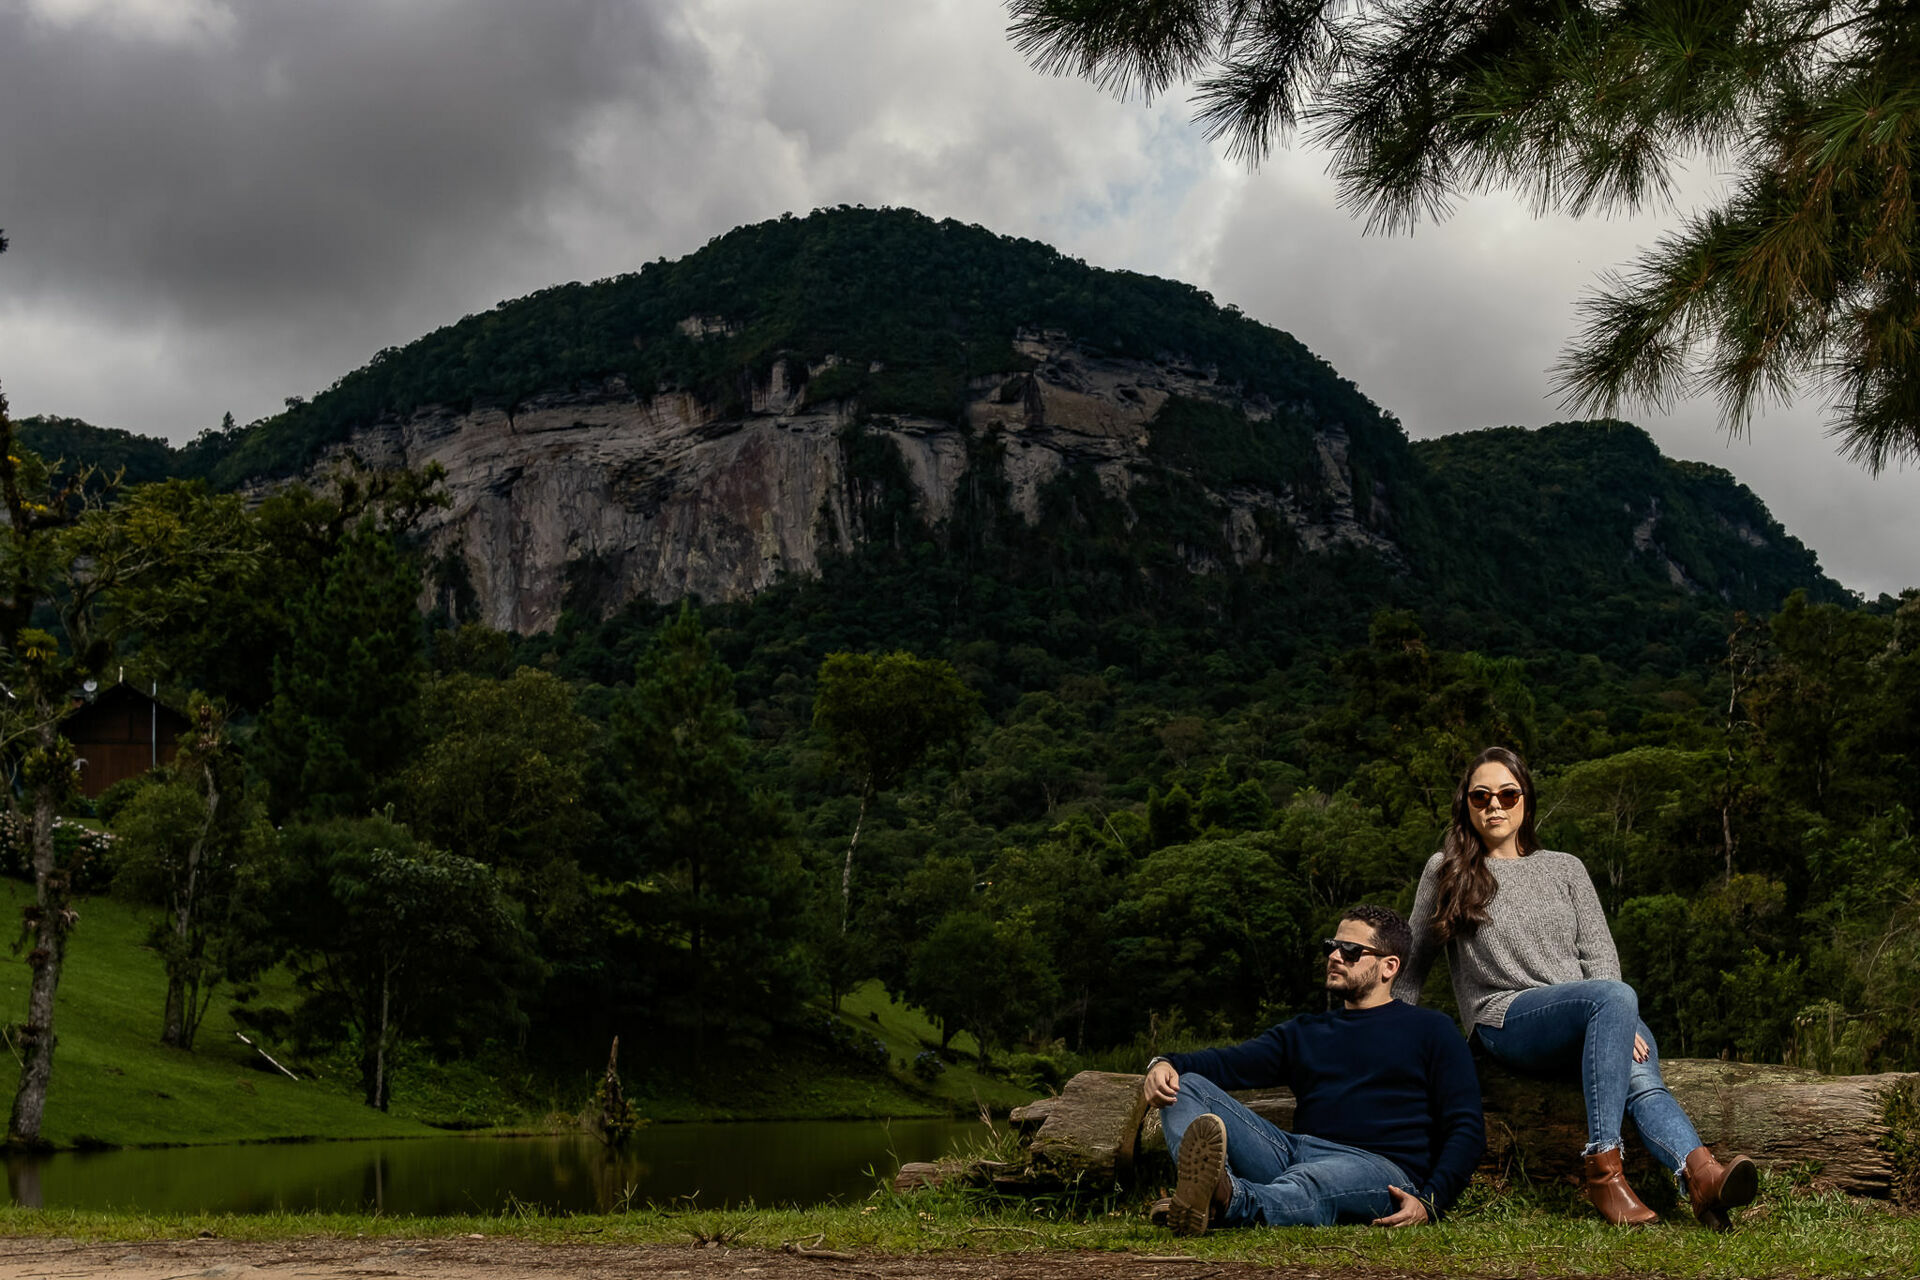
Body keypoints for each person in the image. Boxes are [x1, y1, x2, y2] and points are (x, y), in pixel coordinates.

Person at [1395, 745, 1758, 1229]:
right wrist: (1389, 1044)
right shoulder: (1447, 868)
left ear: (1527, 800)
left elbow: (1602, 958)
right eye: (1481, 797)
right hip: (1505, 1020)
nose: (1495, 806)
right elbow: (1411, 966)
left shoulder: (1565, 867)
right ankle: (1604, 1172)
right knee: (1616, 999)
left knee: (1643, 1077)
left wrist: (1614, 1018)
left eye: (1507, 794)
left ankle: (1703, 1177)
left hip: (1591, 1012)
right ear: (1466, 804)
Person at [1143, 904, 1484, 1236]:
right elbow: (1228, 1062)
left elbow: (1466, 1127)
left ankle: (1228, 1201)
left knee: (1312, 1183)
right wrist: (1164, 1063)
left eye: (1351, 950)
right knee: (1185, 1086)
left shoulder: (1431, 1030)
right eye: (1332, 947)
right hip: (1291, 1152)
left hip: (1379, 1169)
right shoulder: (1304, 1032)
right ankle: (1217, 1191)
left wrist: (1431, 1201)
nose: (1335, 956)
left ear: (1389, 967)